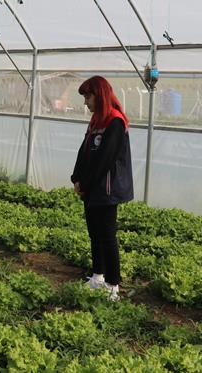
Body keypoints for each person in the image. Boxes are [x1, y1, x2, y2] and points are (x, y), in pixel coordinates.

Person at [71, 76, 134, 301]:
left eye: (88, 97)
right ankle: (97, 276)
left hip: (107, 189)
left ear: (100, 96)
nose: (86, 102)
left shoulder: (115, 121)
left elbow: (104, 160)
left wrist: (86, 183)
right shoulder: (96, 120)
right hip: (92, 187)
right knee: (94, 233)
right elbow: (84, 150)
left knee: (107, 235)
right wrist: (76, 178)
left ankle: (112, 285)